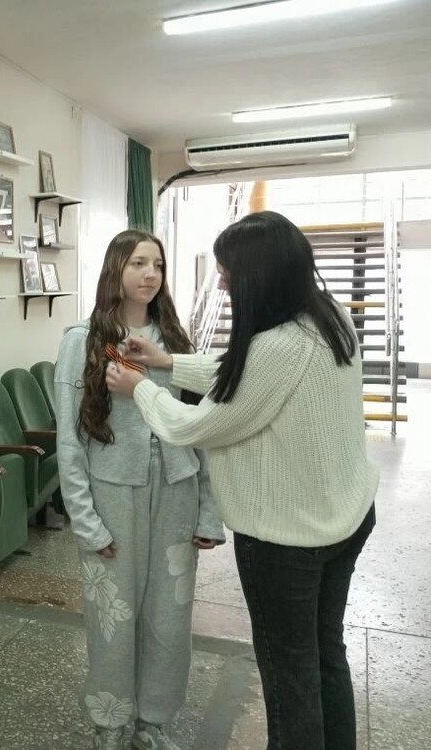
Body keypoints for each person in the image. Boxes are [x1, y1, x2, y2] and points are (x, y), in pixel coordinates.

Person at [106, 211, 378, 750]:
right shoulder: (327, 317)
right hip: (346, 517)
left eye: (229, 272)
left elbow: (198, 425)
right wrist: (168, 362)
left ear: (261, 274)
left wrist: (140, 388)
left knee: (289, 673)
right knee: (325, 654)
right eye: (139, 263)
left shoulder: (277, 345)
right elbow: (245, 372)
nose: (223, 281)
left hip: (289, 539)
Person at [55, 229, 224, 750]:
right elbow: (70, 439)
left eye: (158, 265)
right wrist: (85, 521)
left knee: (169, 620)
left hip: (177, 491)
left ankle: (153, 722)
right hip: (112, 494)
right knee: (112, 617)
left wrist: (209, 510)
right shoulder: (81, 340)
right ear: (115, 269)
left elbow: (202, 428)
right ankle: (111, 721)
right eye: (138, 263)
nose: (150, 274)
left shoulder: (175, 343)